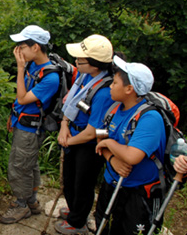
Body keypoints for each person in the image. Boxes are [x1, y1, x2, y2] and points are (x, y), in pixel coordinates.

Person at [95, 56, 165, 234]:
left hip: (138, 192)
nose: (110, 86)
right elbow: (99, 138)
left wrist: (109, 143)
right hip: (112, 181)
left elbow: (133, 156)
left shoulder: (150, 117)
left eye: (115, 82)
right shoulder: (114, 108)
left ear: (129, 89)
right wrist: (112, 159)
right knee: (102, 225)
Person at [0, 25, 60, 224]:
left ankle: (21, 205)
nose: (19, 50)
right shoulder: (34, 65)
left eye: (22, 46)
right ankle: (32, 201)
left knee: (19, 166)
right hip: (22, 121)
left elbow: (24, 97)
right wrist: (13, 115)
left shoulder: (50, 77)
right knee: (30, 163)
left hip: (31, 128)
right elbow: (21, 99)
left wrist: (20, 67)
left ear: (36, 47)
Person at [56, 34, 115, 235]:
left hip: (88, 144)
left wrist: (68, 140)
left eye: (80, 60)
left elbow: (92, 133)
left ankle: (78, 221)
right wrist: (64, 126)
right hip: (73, 135)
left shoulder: (105, 92)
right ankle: (74, 210)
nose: (75, 62)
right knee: (70, 179)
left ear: (95, 64)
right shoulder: (84, 76)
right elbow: (70, 103)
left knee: (83, 182)